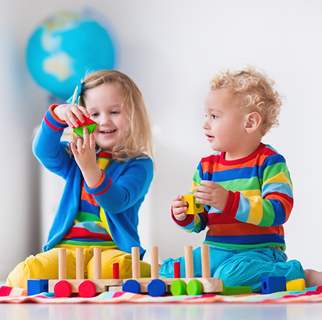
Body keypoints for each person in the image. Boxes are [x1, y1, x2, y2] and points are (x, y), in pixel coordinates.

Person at [159, 66, 322, 292]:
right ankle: (217, 276)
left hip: (259, 251)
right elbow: (200, 222)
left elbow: (279, 210)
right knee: (168, 272)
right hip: (215, 250)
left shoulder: (269, 162)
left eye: (214, 116)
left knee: (230, 278)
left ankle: (299, 274)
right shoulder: (206, 166)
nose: (205, 123)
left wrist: (229, 202)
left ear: (249, 123)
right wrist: (185, 214)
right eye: (205, 115)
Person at [7, 70, 154, 289]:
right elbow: (43, 151)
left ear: (133, 114)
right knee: (25, 273)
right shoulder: (77, 153)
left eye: (114, 111)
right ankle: (82, 281)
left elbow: (116, 201)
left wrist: (90, 168)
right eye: (94, 114)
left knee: (123, 269)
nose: (104, 120)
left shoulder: (139, 164)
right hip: (67, 251)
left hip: (109, 251)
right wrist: (60, 114)